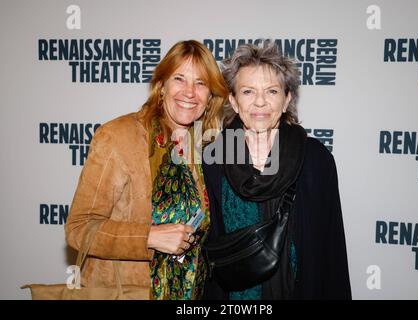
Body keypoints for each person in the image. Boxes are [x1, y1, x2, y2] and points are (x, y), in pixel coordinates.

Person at [65, 40, 228, 300]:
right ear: (161, 86)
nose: (189, 92)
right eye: (179, 79)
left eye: (200, 83)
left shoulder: (206, 147)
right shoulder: (118, 136)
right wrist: (149, 236)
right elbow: (79, 229)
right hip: (127, 293)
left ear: (210, 96)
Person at [202, 43, 352, 299]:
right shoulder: (213, 160)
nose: (260, 102)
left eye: (271, 91)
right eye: (248, 91)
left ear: (287, 100)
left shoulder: (315, 159)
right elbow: (209, 250)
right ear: (234, 102)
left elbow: (331, 248)